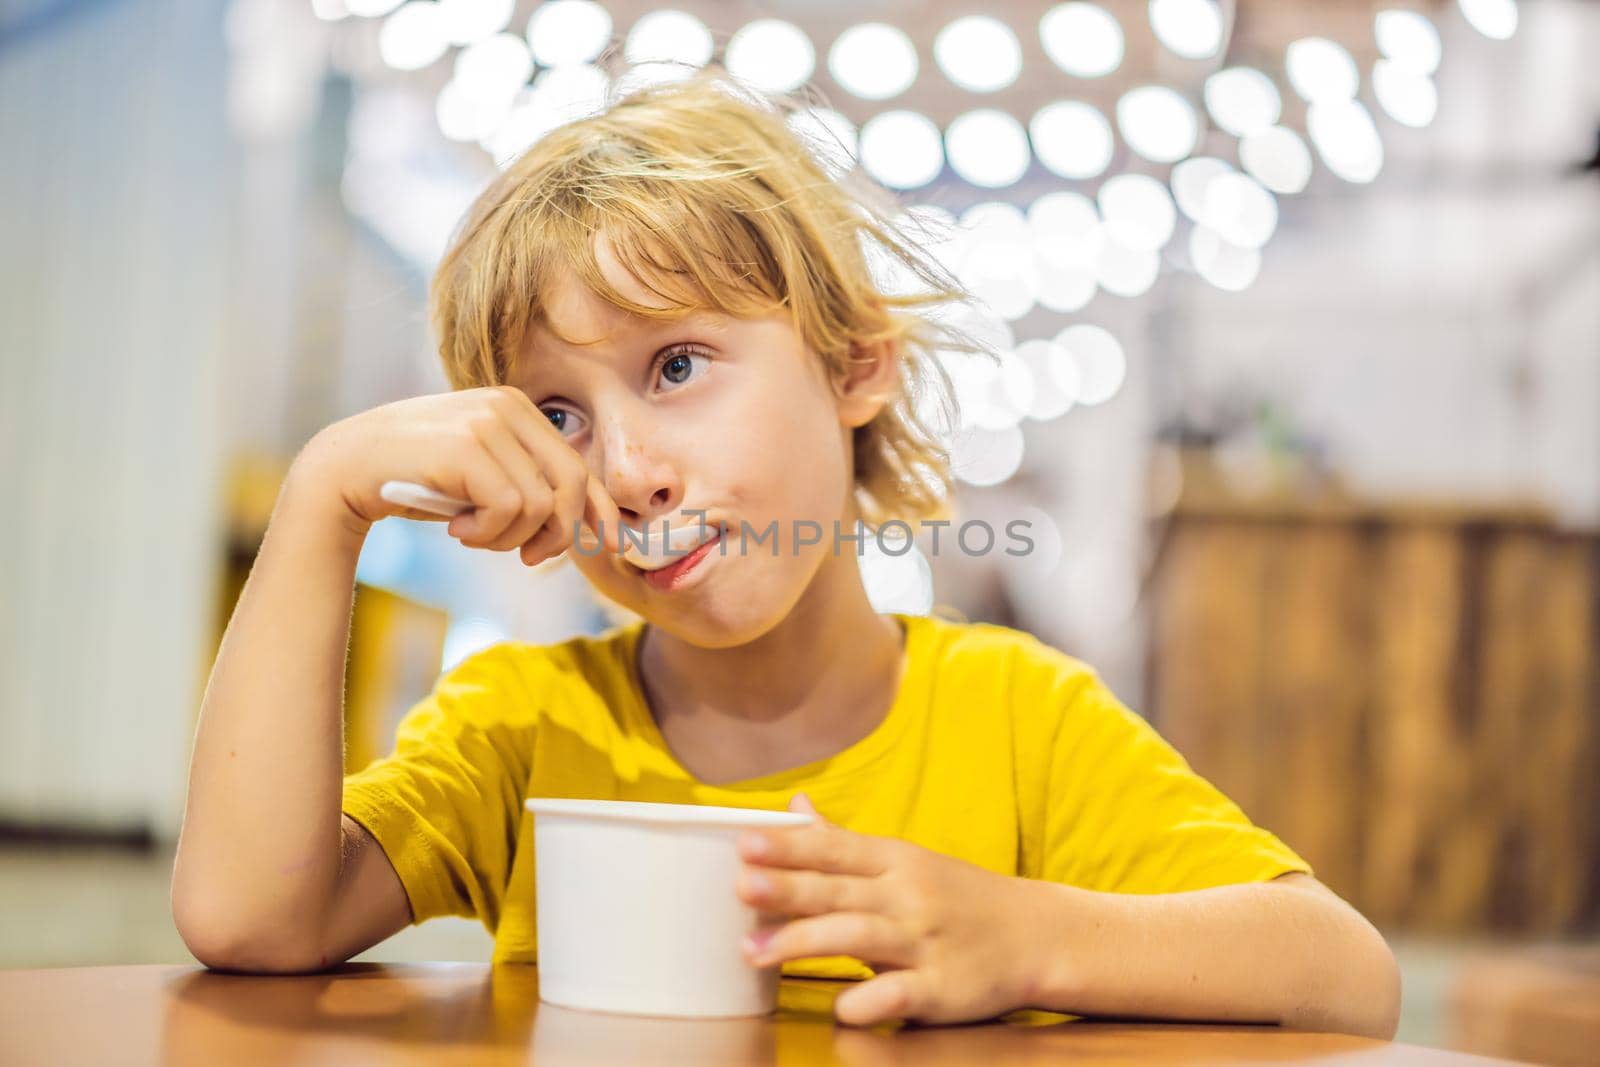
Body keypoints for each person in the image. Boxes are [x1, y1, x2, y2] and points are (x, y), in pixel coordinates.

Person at [171, 71, 1400, 1036]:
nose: (629, 467)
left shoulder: (1020, 721)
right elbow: (247, 918)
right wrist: (323, 498)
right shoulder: (521, 726)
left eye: (677, 365)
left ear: (855, 364)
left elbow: (1344, 973)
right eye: (556, 416)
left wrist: (1026, 935)